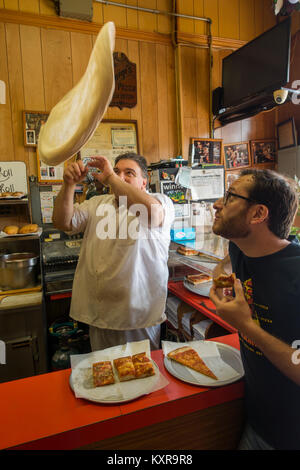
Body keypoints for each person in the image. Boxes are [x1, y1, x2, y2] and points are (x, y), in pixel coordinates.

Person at [209, 168, 300, 450]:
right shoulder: (241, 249)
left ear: (258, 214)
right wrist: (221, 278)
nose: (216, 204)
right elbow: (226, 261)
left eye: (229, 196)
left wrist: (246, 325)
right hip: (256, 422)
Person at [53, 152, 174, 351]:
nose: (120, 176)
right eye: (116, 171)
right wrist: (68, 185)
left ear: (144, 181)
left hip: (139, 313)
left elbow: (152, 214)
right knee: (104, 374)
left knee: (141, 374)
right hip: (100, 311)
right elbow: (62, 222)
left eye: (129, 173)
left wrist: (110, 177)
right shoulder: (97, 204)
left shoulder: (160, 201)